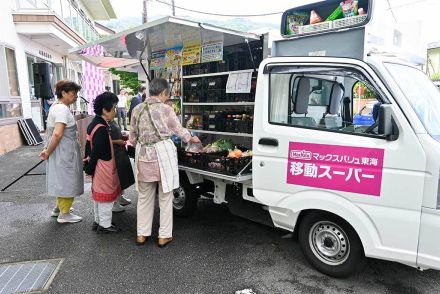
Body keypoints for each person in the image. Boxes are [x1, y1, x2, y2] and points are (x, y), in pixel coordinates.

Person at [130, 78, 200, 247]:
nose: (167, 98)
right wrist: (191, 137)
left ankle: (141, 234)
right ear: (162, 93)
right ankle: (164, 236)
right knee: (165, 195)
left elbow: (132, 138)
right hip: (162, 156)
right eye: (167, 95)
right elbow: (179, 129)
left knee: (145, 197)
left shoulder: (137, 109)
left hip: (143, 156)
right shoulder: (166, 109)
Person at [39, 80, 84, 223]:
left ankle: (59, 208)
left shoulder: (56, 107)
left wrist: (48, 149)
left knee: (61, 178)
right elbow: (57, 133)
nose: (76, 96)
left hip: (61, 149)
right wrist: (47, 151)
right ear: (63, 93)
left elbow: (51, 132)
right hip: (64, 150)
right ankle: (64, 214)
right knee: (67, 179)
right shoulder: (62, 109)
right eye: (73, 93)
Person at [84, 92, 122, 234]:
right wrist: (90, 168)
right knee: (105, 197)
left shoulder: (96, 122)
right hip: (103, 167)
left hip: (99, 166)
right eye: (114, 108)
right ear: (105, 110)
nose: (115, 111)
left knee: (99, 195)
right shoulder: (101, 128)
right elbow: (97, 151)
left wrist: (89, 167)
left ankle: (98, 221)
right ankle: (105, 225)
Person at [108, 120, 135, 212]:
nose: (114, 110)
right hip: (113, 153)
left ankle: (119, 197)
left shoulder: (111, 120)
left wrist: (122, 136)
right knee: (116, 178)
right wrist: (116, 141)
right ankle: (114, 202)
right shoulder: (102, 123)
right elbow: (103, 140)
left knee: (122, 176)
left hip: (120, 151)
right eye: (113, 108)